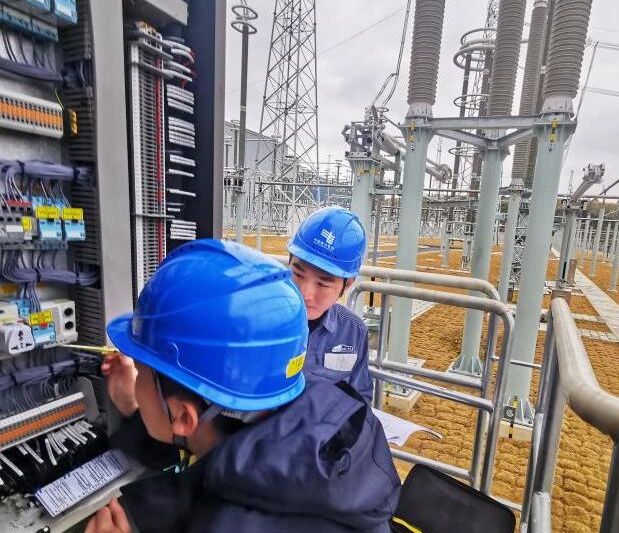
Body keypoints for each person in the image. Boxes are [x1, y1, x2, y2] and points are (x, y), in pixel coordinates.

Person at [85, 239, 400, 533]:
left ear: (183, 416)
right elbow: (206, 466)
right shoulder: (308, 414)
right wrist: (133, 404)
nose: (135, 378)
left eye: (141, 371)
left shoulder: (230, 524)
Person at [287, 206, 372, 402]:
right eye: (298, 274)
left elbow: (360, 399)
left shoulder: (353, 332)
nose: (305, 294)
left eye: (323, 283)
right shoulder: (259, 320)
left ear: (347, 284)